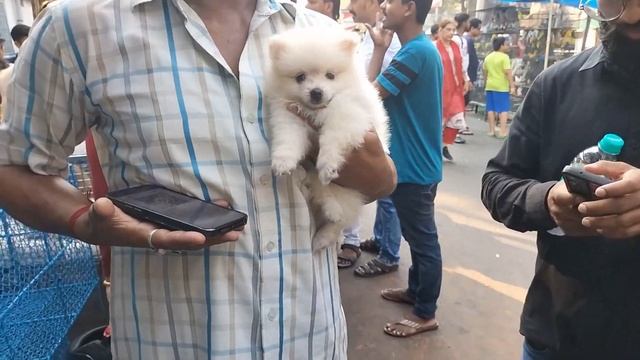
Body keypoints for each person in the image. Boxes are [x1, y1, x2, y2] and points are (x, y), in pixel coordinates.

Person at [0, 0, 397, 358]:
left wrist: (368, 170)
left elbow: (381, 181)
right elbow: (13, 167)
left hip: (312, 337)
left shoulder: (320, 32)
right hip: (172, 341)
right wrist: (85, 222)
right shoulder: (78, 27)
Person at [482, 0, 640, 357]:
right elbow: (497, 182)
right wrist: (548, 199)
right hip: (556, 334)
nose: (630, 14)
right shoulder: (556, 85)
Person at [367, 0, 443, 338]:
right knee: (416, 237)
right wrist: (381, 48)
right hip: (416, 164)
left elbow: (367, 97)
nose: (383, 5)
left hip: (414, 168)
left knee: (424, 243)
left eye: (390, 0)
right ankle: (415, 293)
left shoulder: (414, 53)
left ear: (409, 7)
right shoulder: (418, 50)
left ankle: (425, 313)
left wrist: (377, 51)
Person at [339, 0, 402, 270]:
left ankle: (388, 256)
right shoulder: (374, 37)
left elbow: (370, 91)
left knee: (384, 194)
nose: (351, 5)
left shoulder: (403, 47)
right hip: (368, 122)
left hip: (382, 130)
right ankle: (380, 241)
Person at [436, 19, 466, 162]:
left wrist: (466, 79)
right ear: (440, 30)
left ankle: (445, 146)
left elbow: (461, 64)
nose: (451, 33)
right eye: (448, 29)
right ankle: (437, 147)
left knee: (457, 118)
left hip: (455, 87)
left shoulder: (456, 45)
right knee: (440, 120)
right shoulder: (434, 47)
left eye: (452, 30)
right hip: (441, 88)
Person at [483, 36, 514, 138]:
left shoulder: (488, 57)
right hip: (501, 86)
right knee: (503, 109)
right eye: (506, 44)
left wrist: (486, 82)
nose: (508, 46)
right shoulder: (504, 57)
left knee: (491, 108)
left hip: (490, 85)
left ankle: (491, 130)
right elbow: (507, 72)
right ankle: (502, 131)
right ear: (501, 46)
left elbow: (485, 71)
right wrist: (512, 86)